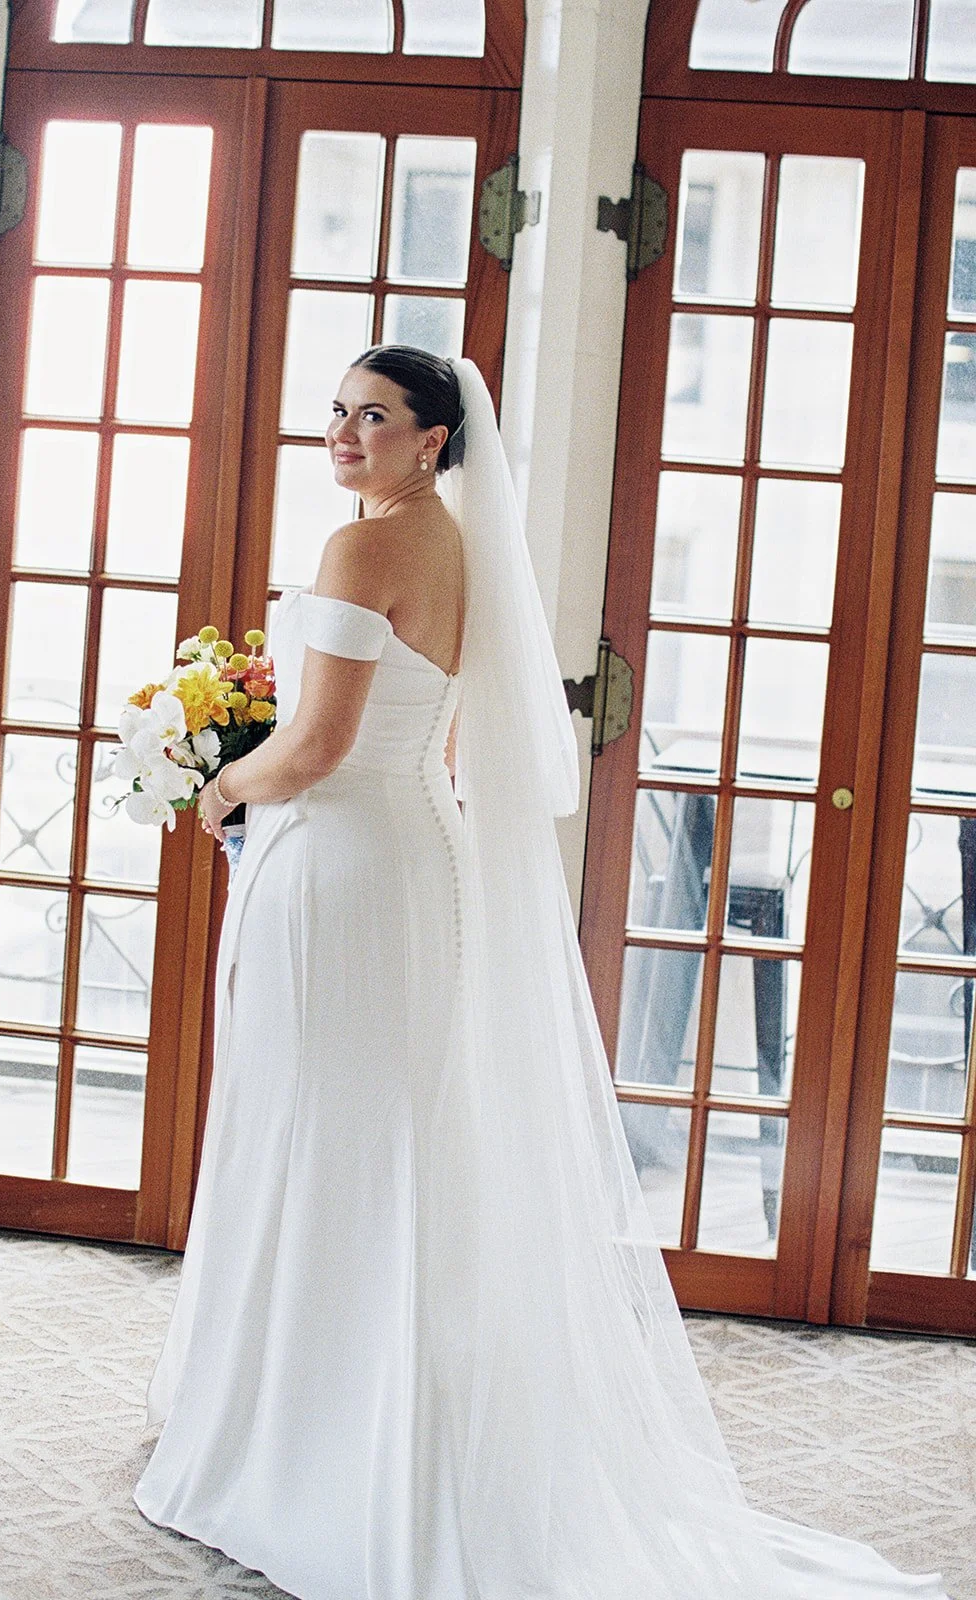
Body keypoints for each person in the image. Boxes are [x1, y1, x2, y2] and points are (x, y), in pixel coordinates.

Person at [133, 346, 949, 1600]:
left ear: (433, 439)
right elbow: (444, 734)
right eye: (338, 411)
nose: (345, 432)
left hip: (346, 865)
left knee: (325, 1129)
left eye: (374, 416)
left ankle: (318, 1441)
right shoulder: (464, 547)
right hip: (421, 853)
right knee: (402, 1133)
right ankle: (384, 1419)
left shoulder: (366, 545)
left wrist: (221, 782)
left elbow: (320, 743)